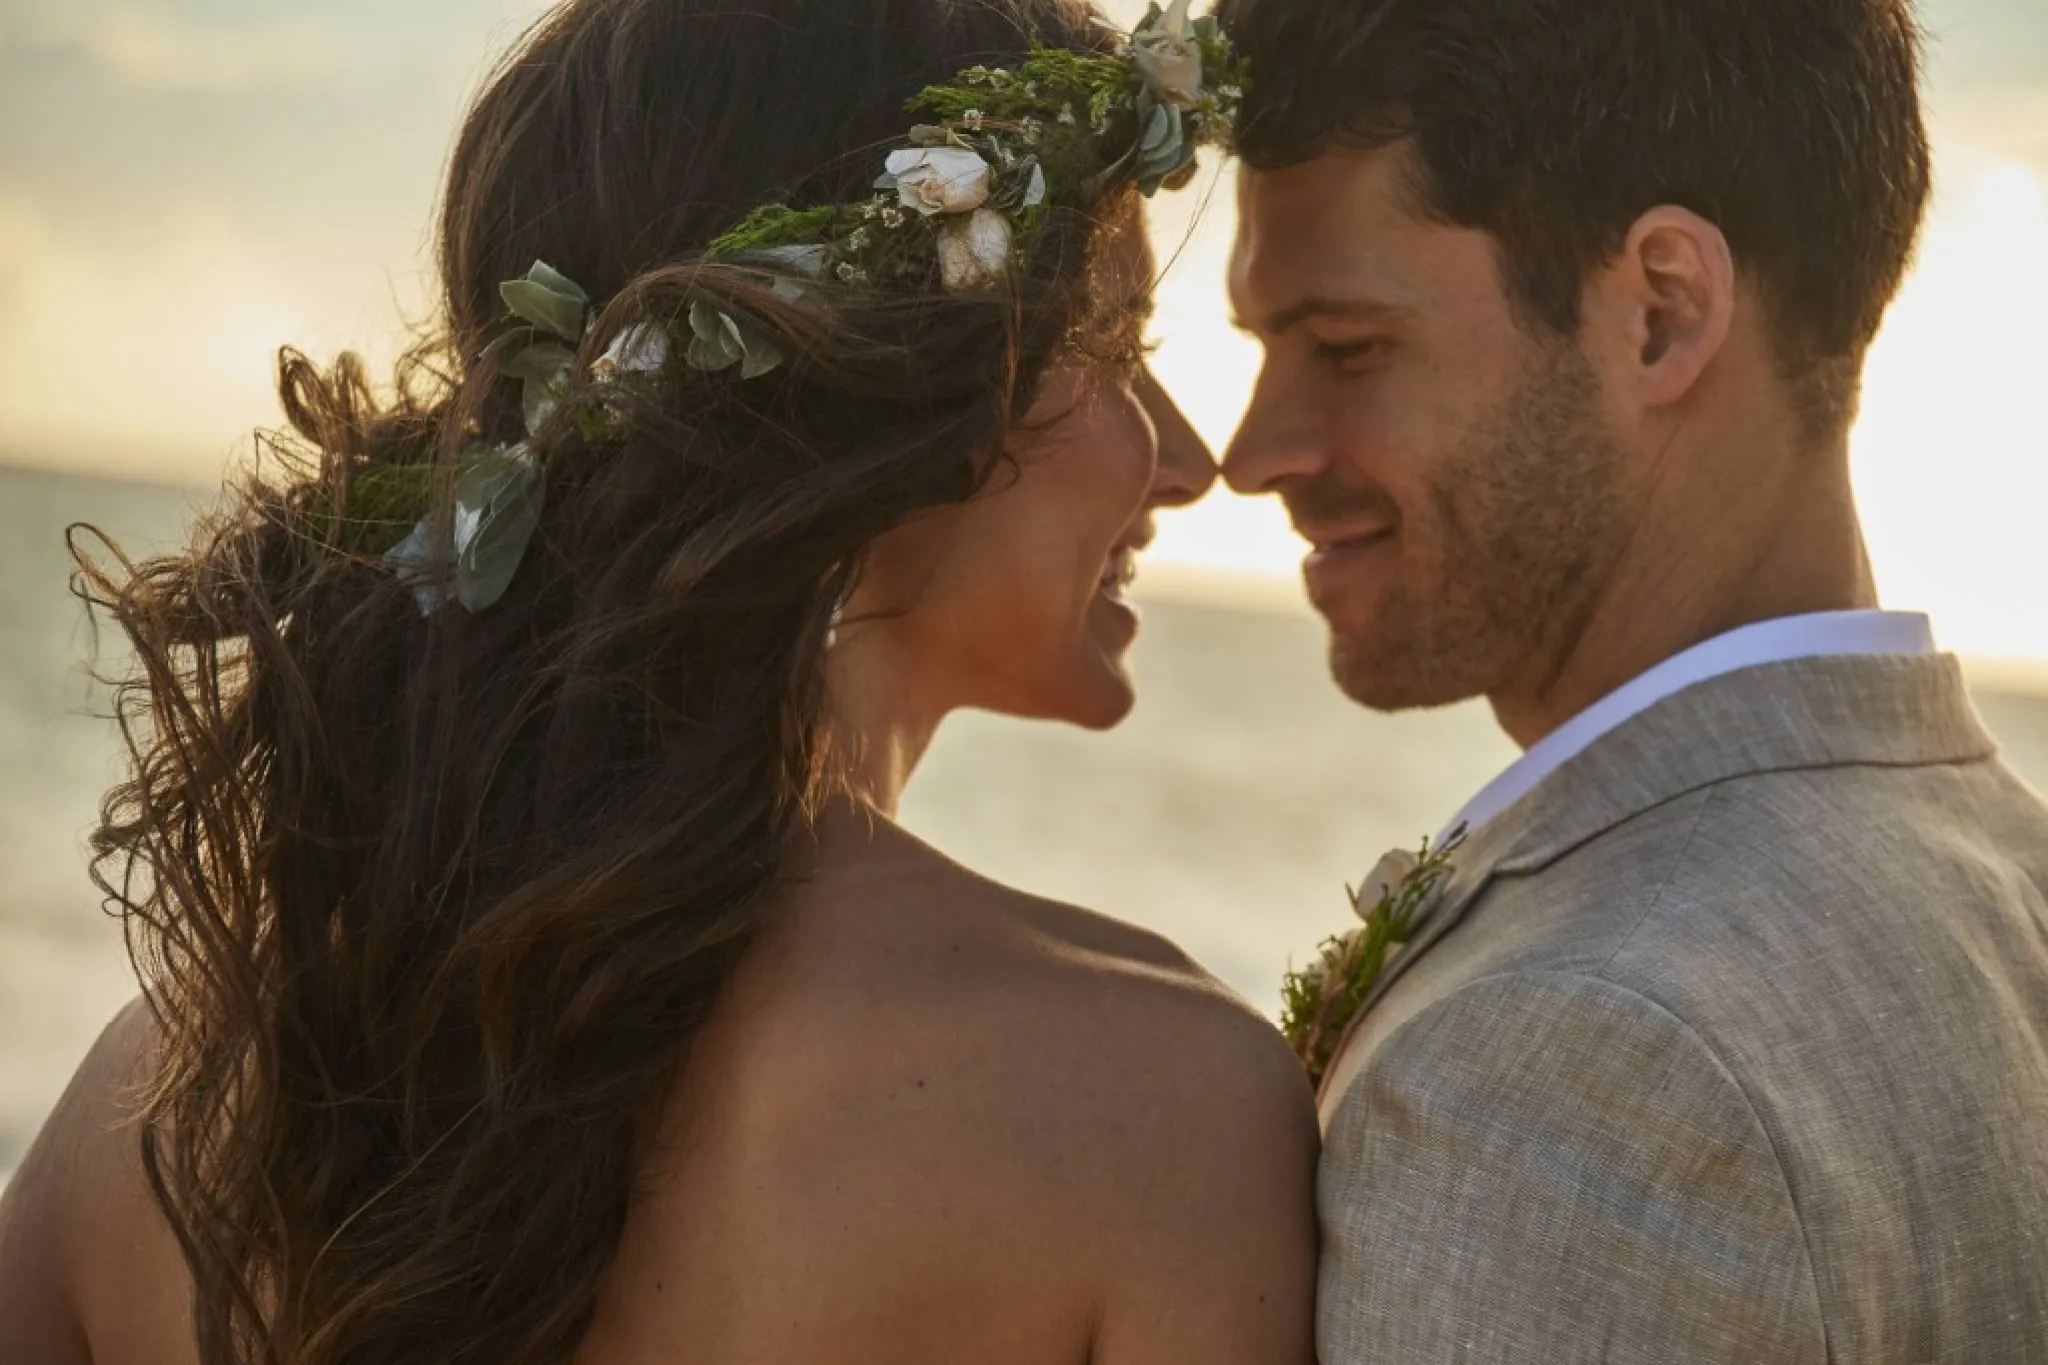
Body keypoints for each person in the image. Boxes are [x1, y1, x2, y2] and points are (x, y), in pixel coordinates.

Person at [0, 2, 1319, 1361]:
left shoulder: (169, 1103)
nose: (1189, 457)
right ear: (877, 394)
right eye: (1114, 348)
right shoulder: (1150, 1117)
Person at [1219, 0, 2048, 1358]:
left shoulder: (1583, 1053)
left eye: (1349, 348)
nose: (1254, 453)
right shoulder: (2009, 874)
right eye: (1261, 350)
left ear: (1661, 311)